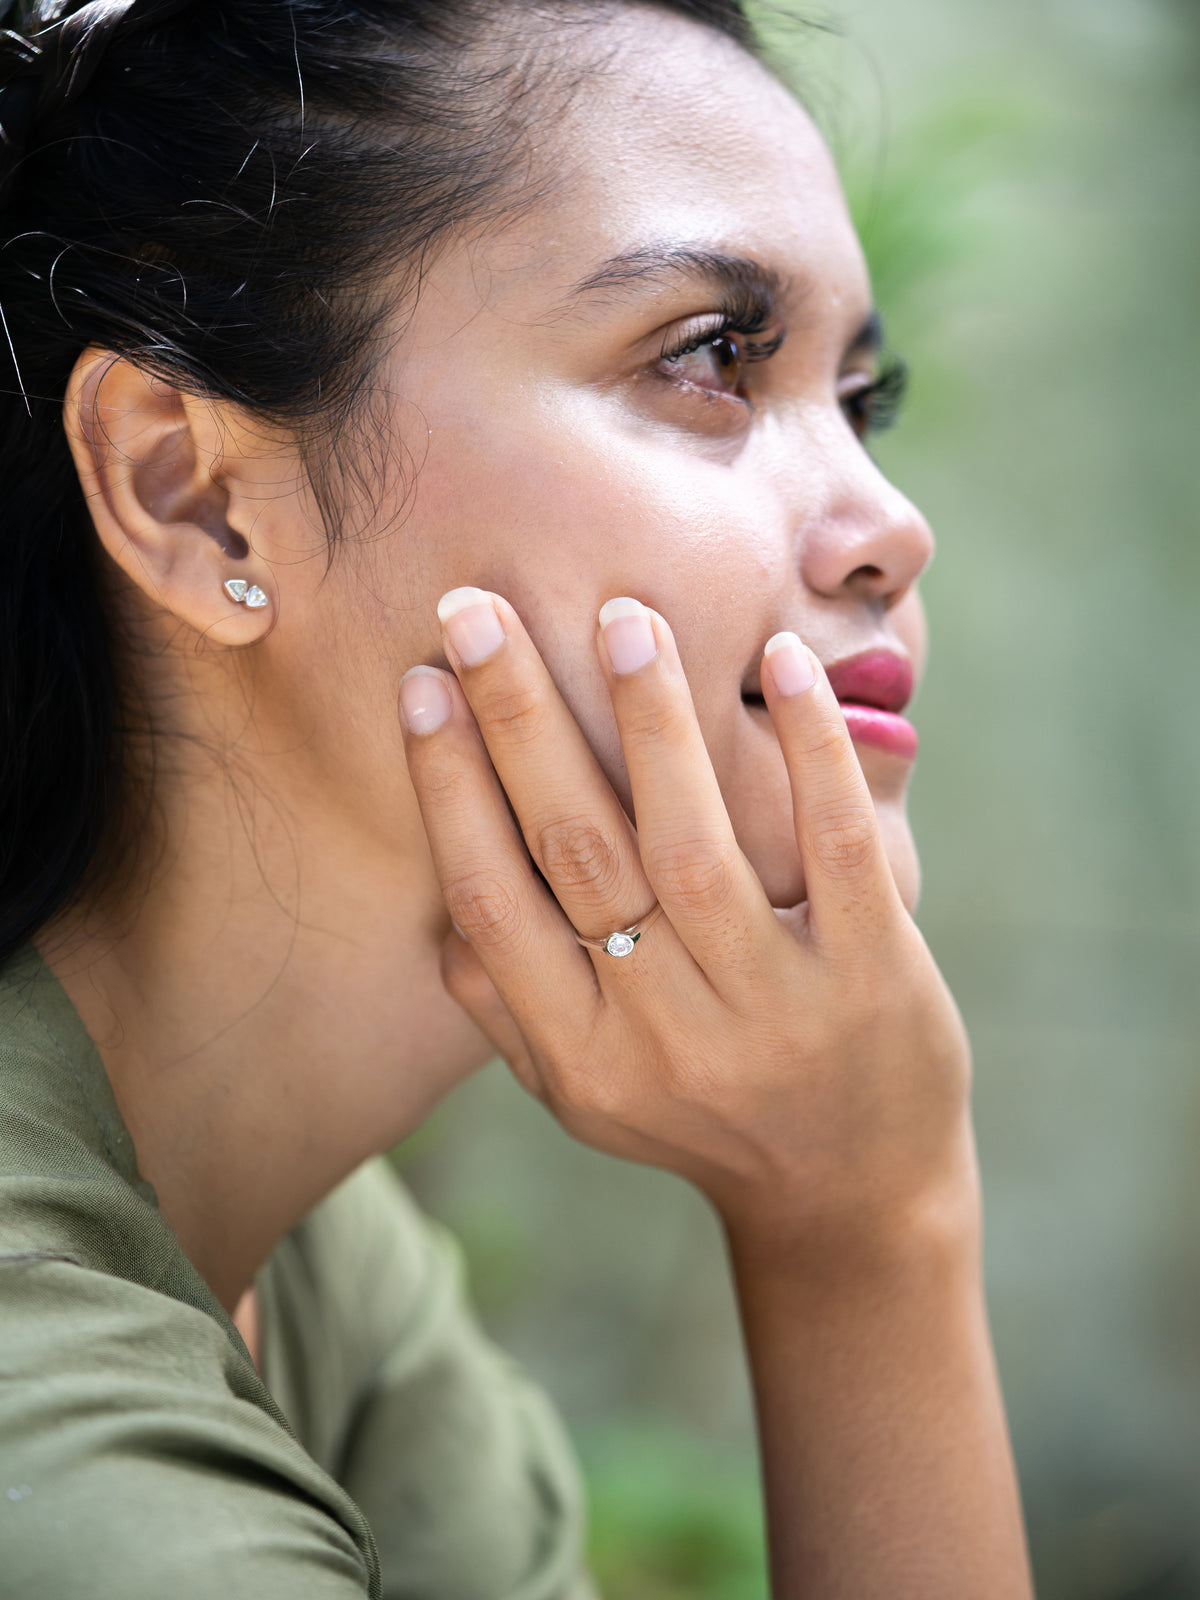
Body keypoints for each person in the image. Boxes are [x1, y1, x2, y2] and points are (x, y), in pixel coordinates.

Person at [0, 0, 1033, 1595]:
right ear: (193, 496)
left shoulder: (321, 1267)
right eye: (708, 357)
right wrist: (868, 1240)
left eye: (861, 401)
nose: (890, 525)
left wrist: (853, 1212)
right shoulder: (61, 1467)